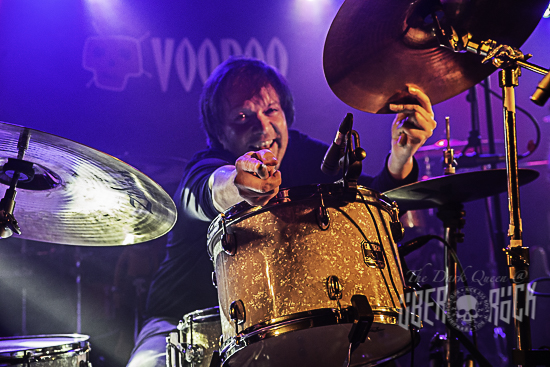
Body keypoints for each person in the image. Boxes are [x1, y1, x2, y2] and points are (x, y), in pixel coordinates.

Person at [126, 56, 436, 367]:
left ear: (286, 115)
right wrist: (239, 183)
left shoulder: (306, 155)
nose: (262, 126)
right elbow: (207, 190)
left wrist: (400, 158)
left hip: (275, 329)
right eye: (242, 116)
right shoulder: (205, 164)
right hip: (181, 326)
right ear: (220, 133)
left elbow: (368, 208)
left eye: (271, 110)